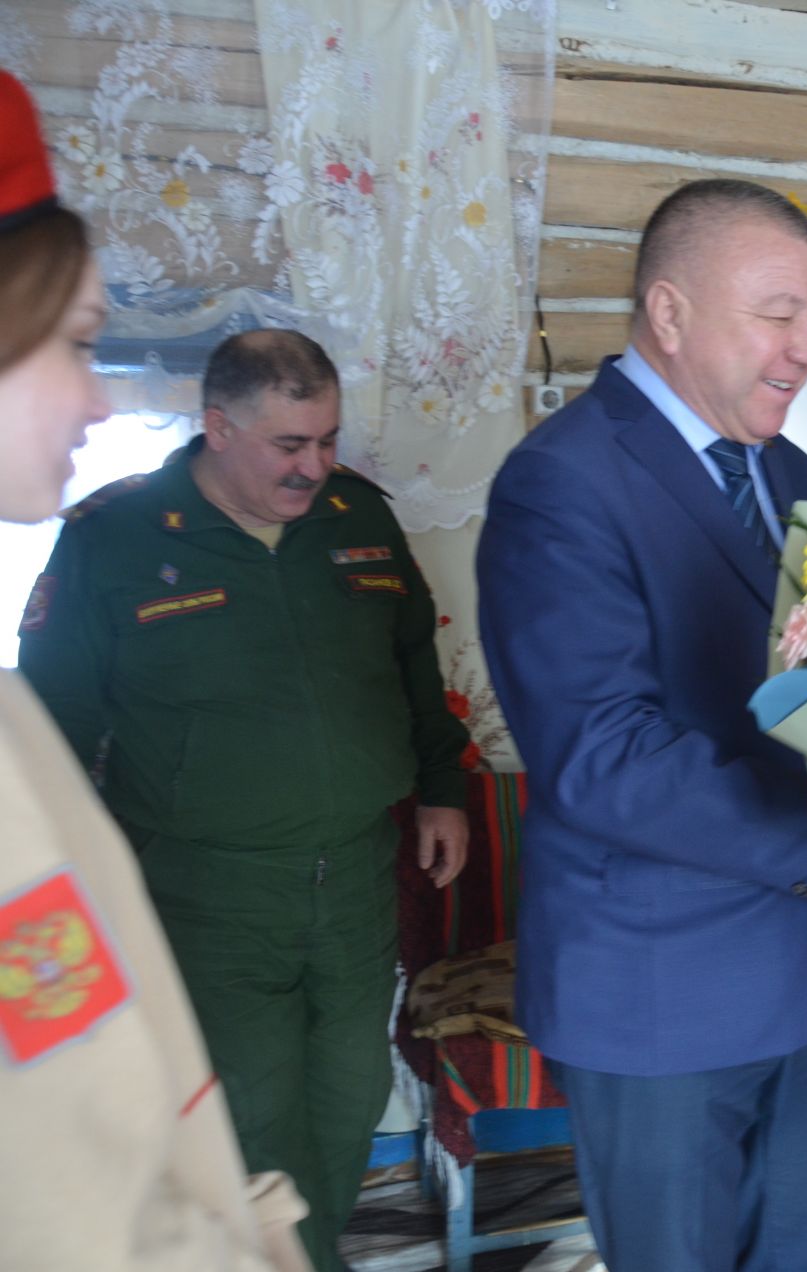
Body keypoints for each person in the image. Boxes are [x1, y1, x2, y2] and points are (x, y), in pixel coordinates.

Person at [476, 178, 807, 1272]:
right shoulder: (560, 482)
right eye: (780, 315)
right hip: (657, 999)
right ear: (669, 312)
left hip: (802, 979)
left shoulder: (791, 472)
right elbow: (606, 761)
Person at [18, 324, 472, 1271]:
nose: (315, 467)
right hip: (209, 890)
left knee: (349, 1098)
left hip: (355, 876)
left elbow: (413, 666)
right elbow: (56, 725)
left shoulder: (357, 516)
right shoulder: (116, 537)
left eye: (329, 440)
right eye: (289, 445)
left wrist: (442, 789)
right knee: (256, 1116)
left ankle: (302, 1255)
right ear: (217, 428)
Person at [0, 69, 310, 1270]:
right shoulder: (116, 538)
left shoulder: (359, 529)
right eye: (77, 342)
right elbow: (71, 1203)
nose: (97, 397)